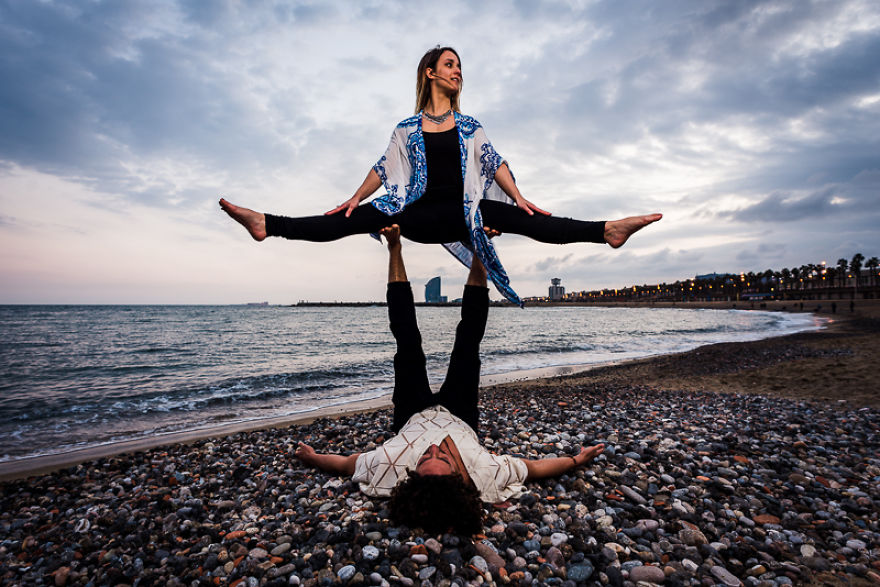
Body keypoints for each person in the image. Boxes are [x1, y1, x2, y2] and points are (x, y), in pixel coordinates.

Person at [219, 46, 661, 306]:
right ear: (431, 72)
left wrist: (518, 197)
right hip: (414, 215)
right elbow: (382, 166)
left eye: (460, 66)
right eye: (450, 64)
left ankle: (607, 231)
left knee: (531, 219)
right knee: (344, 220)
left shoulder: (471, 127)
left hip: (461, 215)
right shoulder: (406, 129)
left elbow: (494, 162)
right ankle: (266, 225)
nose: (458, 71)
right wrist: (354, 199)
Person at [294, 225, 604, 535]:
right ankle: (480, 252)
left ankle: (394, 248)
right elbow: (535, 468)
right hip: (460, 414)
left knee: (407, 338)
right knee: (468, 340)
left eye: (426, 456)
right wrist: (575, 460)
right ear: (461, 476)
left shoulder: (391, 469)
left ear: (412, 475)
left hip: (411, 413)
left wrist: (312, 457)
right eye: (443, 455)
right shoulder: (486, 474)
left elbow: (346, 464)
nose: (434, 447)